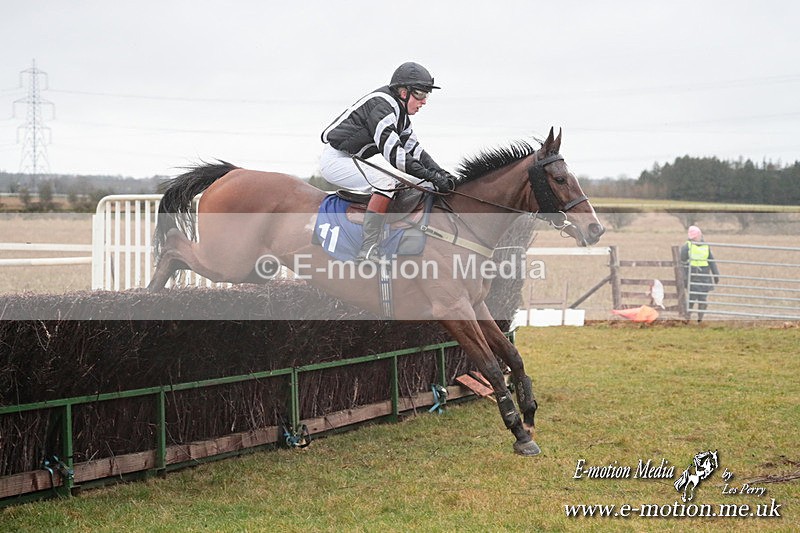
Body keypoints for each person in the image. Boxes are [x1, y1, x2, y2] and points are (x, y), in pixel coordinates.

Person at [320, 62, 455, 262]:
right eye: (420, 94)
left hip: (351, 158)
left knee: (416, 183)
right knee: (386, 183)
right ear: (403, 92)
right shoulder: (381, 107)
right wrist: (431, 176)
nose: (424, 101)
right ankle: (368, 248)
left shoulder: (401, 116)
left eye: (427, 95)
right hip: (335, 160)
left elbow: (415, 151)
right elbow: (395, 156)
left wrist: (442, 173)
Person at [680, 225, 720, 322]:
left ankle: (699, 320)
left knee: (702, 299)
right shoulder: (687, 247)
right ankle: (687, 319)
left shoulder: (705, 246)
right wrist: (684, 278)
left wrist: (716, 274)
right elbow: (682, 263)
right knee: (692, 299)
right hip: (692, 276)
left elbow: (711, 260)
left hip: (704, 276)